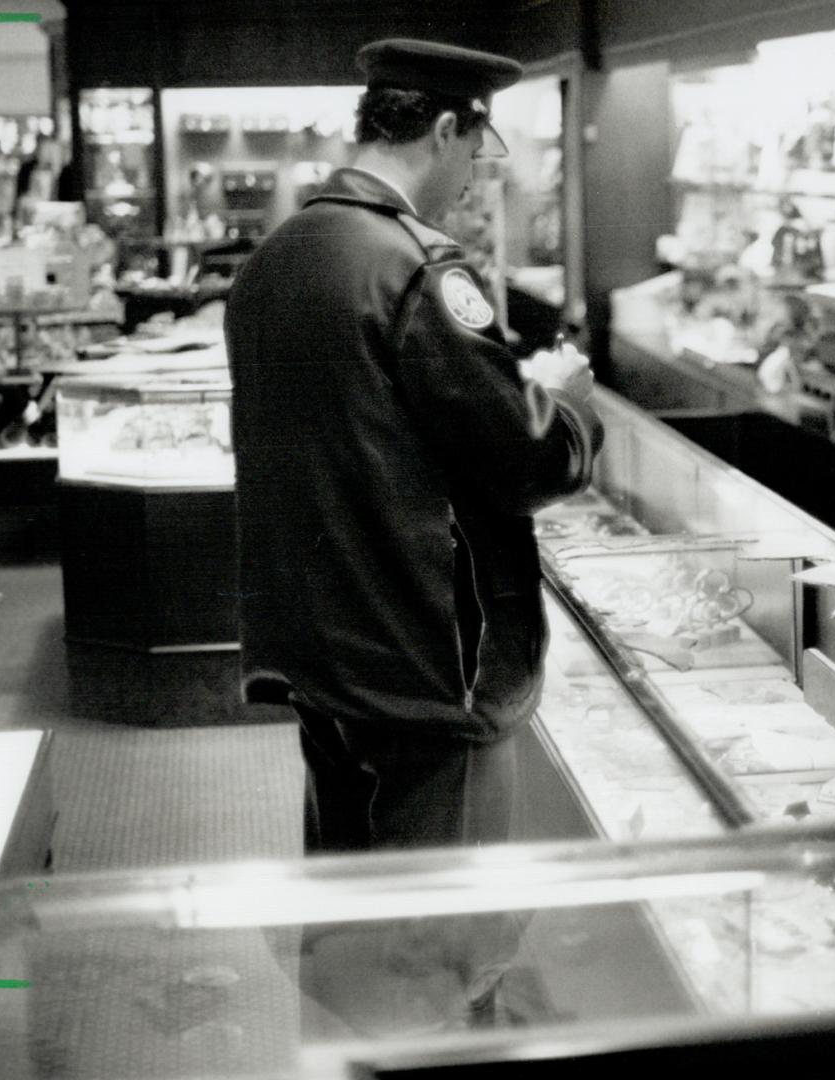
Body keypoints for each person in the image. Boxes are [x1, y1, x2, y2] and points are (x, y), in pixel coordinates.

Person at [225, 38, 602, 854]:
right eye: (476, 145)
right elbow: (527, 458)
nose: (475, 173)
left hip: (320, 650)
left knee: (347, 887)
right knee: (444, 931)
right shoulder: (419, 270)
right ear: (442, 129)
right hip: (422, 661)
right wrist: (568, 404)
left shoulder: (275, 259)